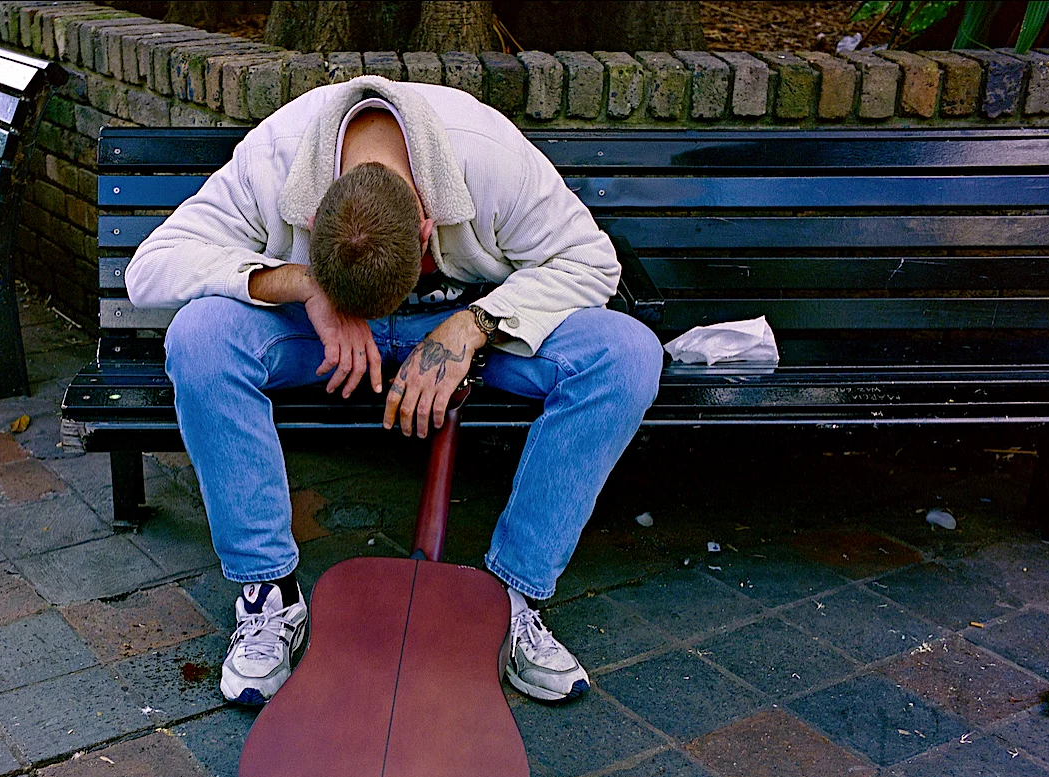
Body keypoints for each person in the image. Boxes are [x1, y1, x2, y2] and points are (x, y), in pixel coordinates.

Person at [125, 76, 662, 707]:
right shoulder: (274, 159)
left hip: (463, 320)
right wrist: (302, 285)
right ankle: (268, 595)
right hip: (323, 328)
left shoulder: (490, 158)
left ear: (428, 224)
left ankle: (511, 599)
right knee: (200, 339)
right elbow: (150, 268)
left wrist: (475, 325)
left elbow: (592, 262)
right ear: (314, 220)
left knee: (626, 355)